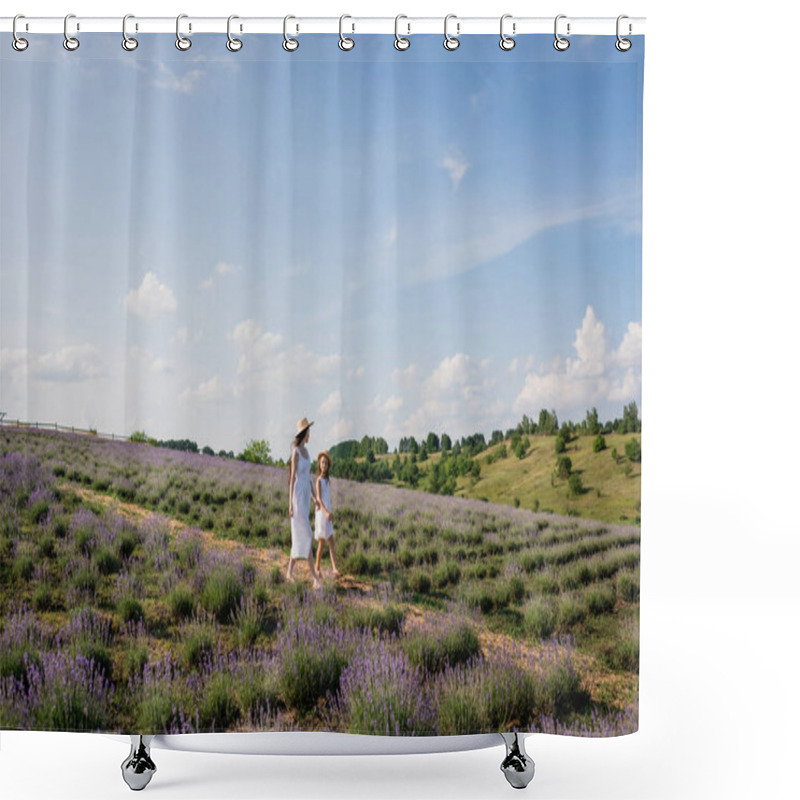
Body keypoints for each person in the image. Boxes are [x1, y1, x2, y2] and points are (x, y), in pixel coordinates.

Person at [287, 417, 321, 589]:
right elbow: (293, 479)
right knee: (306, 534)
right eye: (308, 431)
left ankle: (289, 572)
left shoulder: (307, 451)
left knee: (300, 537)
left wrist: (315, 498)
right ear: (303, 433)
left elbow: (309, 478)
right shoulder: (296, 453)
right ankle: (315, 578)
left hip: (306, 496)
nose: (310, 434)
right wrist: (290, 504)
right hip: (298, 496)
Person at [314, 450, 341, 578]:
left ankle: (335, 569)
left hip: (327, 513)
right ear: (319, 465)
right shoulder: (319, 480)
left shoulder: (327, 480)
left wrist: (330, 510)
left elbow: (327, 497)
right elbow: (319, 498)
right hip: (322, 514)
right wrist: (326, 512)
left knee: (330, 540)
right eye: (322, 463)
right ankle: (317, 567)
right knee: (322, 543)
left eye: (325, 463)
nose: (324, 465)